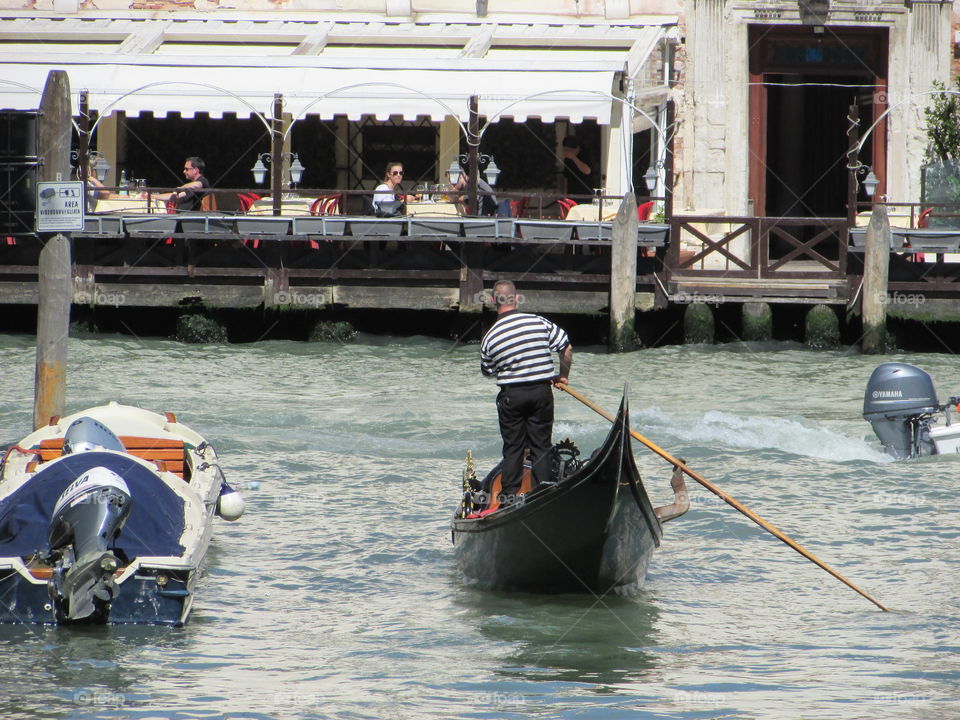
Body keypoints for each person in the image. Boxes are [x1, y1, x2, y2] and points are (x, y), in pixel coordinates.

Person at [480, 279, 573, 504]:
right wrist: (562, 375)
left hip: (512, 396)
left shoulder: (490, 337)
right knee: (541, 444)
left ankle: (509, 498)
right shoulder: (538, 322)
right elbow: (566, 347)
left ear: (494, 301)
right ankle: (544, 491)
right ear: (516, 298)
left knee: (513, 448)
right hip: (541, 392)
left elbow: (488, 371)